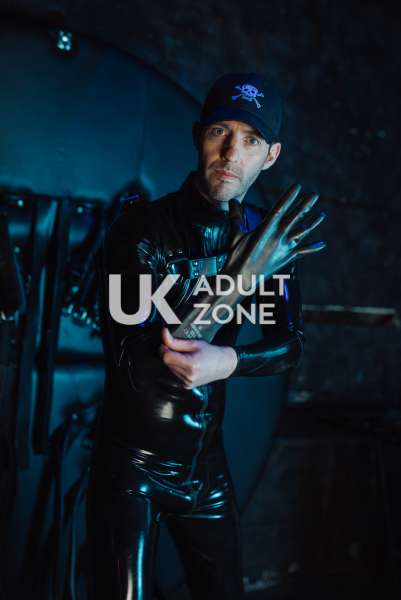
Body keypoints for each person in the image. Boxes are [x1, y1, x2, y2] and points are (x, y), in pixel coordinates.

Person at [87, 72, 326, 600]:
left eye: (252, 140)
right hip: (133, 470)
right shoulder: (141, 231)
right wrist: (239, 279)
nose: (231, 153)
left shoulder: (267, 237)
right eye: (221, 131)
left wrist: (230, 361)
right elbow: (140, 368)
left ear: (271, 156)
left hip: (205, 472)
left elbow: (291, 345)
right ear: (199, 136)